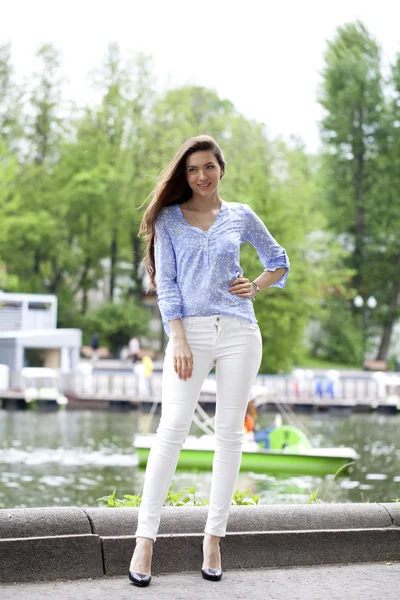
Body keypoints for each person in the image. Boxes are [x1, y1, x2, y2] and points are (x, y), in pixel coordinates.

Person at [129, 135, 290, 587]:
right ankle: (145, 539)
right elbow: (168, 285)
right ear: (184, 175)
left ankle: (214, 538)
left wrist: (256, 286)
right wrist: (176, 338)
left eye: (208, 167)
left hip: (240, 331)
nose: (201, 176)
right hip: (190, 334)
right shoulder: (168, 219)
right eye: (192, 169)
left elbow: (279, 260)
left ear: (222, 168)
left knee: (229, 435)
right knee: (172, 429)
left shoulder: (240, 216)